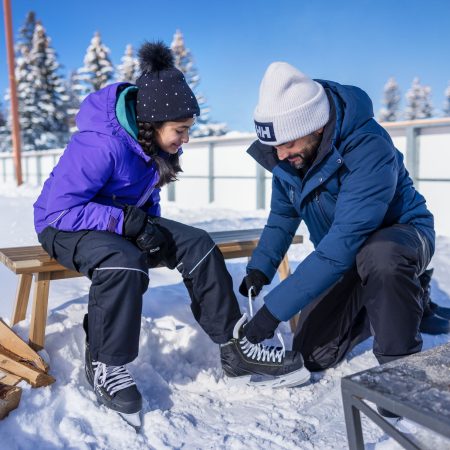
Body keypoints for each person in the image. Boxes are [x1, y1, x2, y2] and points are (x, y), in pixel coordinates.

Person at [33, 43, 309, 427]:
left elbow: (143, 201)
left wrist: (151, 229)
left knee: (197, 244)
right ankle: (106, 363)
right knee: (123, 263)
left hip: (118, 222)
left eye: (188, 130)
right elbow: (61, 208)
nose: (186, 139)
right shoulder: (101, 144)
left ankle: (234, 347)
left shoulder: (150, 146)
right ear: (152, 124)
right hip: (64, 225)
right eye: (180, 130)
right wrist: (129, 225)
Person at [240, 62, 437, 420]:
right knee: (313, 353)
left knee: (381, 257)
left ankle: (398, 372)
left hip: (401, 238)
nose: (280, 155)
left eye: (288, 143)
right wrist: (260, 269)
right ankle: (382, 304)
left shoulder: (367, 147)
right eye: (275, 146)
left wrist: (272, 312)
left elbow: (344, 242)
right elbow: (283, 218)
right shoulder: (290, 160)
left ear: (313, 125)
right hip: (345, 252)